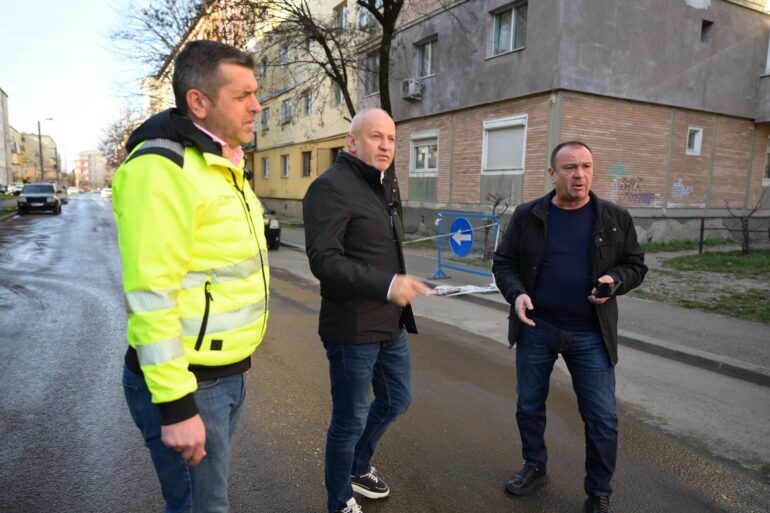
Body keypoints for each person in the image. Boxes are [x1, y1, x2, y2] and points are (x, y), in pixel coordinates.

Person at [112, 40, 269, 512]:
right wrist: (177, 406)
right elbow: (152, 296)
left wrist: (240, 348)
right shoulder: (163, 168)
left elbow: (222, 275)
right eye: (243, 95)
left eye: (255, 93)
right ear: (198, 102)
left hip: (224, 376)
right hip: (188, 385)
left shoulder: (222, 163)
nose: (257, 106)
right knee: (201, 507)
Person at [492, 141, 647, 513]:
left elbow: (636, 265)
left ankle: (599, 491)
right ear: (552, 173)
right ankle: (535, 465)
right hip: (537, 326)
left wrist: (615, 280)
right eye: (570, 167)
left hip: (591, 332)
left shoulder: (614, 218)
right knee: (529, 405)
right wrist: (517, 294)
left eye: (586, 166)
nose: (580, 175)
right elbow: (504, 263)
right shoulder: (528, 215)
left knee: (602, 418)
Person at [303, 108, 429, 513]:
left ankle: (358, 465)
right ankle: (339, 499)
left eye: (391, 139)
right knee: (350, 418)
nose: (386, 145)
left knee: (397, 400)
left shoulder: (384, 185)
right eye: (377, 137)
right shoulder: (330, 187)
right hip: (351, 328)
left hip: (389, 322)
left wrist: (395, 287)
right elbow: (324, 260)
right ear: (351, 141)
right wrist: (389, 285)